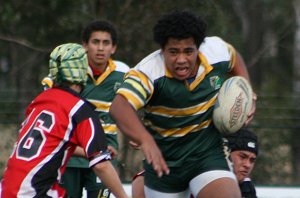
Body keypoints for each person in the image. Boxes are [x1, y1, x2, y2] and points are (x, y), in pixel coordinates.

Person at [109, 10, 257, 198]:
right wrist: (145, 139)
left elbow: (235, 58)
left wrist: (247, 92)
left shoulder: (216, 51)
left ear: (198, 47)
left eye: (188, 51)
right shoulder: (148, 72)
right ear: (162, 50)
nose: (181, 59)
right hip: (165, 162)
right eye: (173, 52)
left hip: (206, 154)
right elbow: (119, 106)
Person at [0, 43, 128, 198]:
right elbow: (101, 166)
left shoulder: (40, 101)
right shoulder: (80, 110)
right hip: (36, 193)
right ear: (82, 71)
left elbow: (53, 145)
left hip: (7, 189)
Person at [59, 20, 130, 198]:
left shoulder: (124, 74)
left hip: (104, 155)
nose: (100, 48)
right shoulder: (68, 74)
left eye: (106, 43)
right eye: (95, 42)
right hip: (70, 158)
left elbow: (128, 110)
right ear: (85, 45)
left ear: (113, 48)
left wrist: (135, 135)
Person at [130, 128, 259, 198]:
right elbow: (140, 182)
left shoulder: (247, 188)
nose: (247, 164)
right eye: (242, 157)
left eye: (252, 160)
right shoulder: (198, 171)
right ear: (226, 153)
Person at [225, 128, 259, 198]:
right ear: (227, 154)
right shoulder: (206, 184)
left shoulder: (248, 190)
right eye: (242, 157)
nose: (248, 165)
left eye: (252, 160)